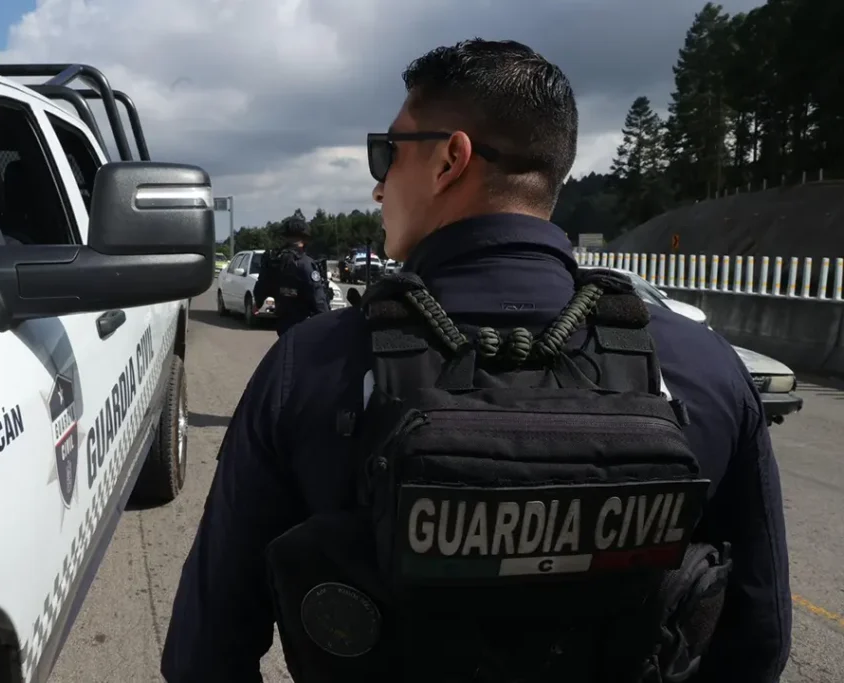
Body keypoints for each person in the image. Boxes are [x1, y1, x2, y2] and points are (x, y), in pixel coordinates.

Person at [162, 39, 791, 683]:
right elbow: (757, 638)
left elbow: (205, 651)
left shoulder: (312, 367)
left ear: (449, 160)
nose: (378, 187)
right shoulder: (702, 367)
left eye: (388, 152)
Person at [252, 216, 330, 336]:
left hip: (282, 324)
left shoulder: (274, 261)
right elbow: (318, 298)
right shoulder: (305, 263)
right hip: (304, 326)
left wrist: (258, 303)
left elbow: (262, 286)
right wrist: (327, 324)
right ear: (304, 238)